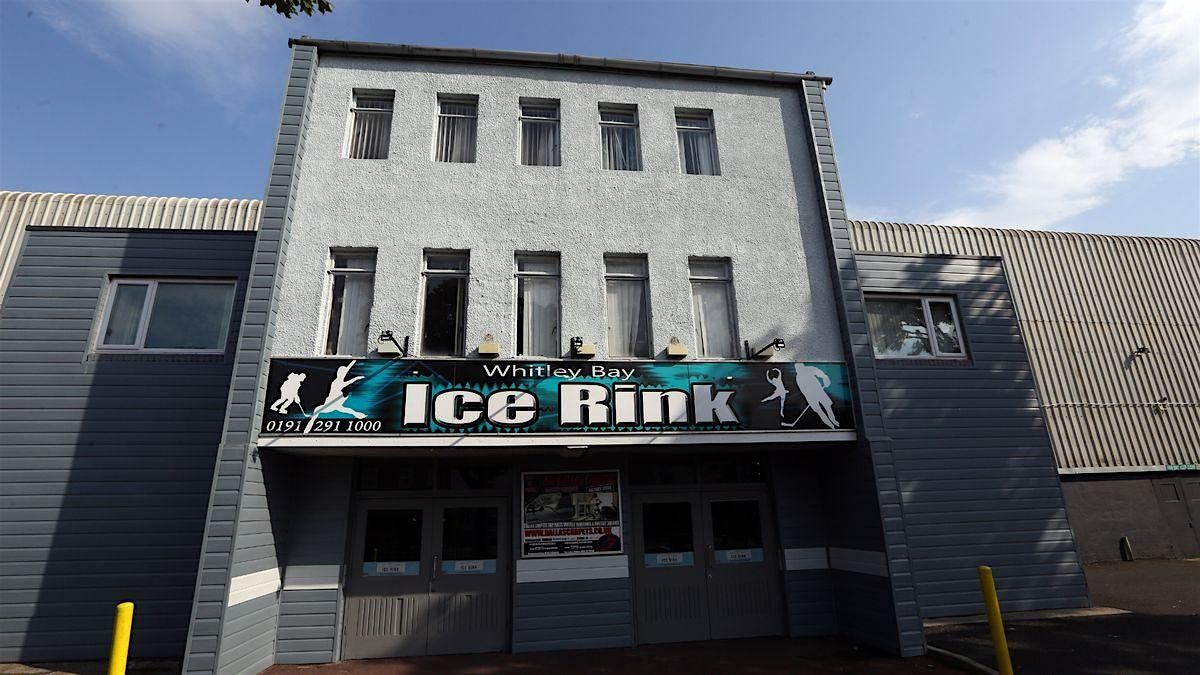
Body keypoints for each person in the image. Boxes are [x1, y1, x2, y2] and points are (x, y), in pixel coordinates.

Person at [304, 361, 367, 433]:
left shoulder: (339, 380)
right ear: (339, 373)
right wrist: (356, 378)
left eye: (344, 373)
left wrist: (354, 360)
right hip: (330, 404)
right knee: (345, 410)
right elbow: (348, 380)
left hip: (334, 403)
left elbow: (347, 369)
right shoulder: (338, 382)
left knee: (346, 410)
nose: (344, 374)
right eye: (342, 373)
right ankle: (308, 428)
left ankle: (357, 414)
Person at [784, 364, 840, 429]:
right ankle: (831, 426)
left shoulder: (808, 369)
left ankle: (833, 420)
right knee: (819, 411)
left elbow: (820, 373)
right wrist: (811, 396)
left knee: (827, 406)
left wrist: (825, 378)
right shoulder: (798, 377)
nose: (798, 369)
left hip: (819, 391)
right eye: (797, 368)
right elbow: (803, 390)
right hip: (810, 396)